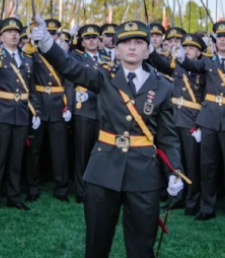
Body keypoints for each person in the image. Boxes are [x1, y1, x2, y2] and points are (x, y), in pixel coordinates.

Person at [31, 18, 185, 258]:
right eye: (125, 42)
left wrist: (175, 170)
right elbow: (71, 67)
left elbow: (168, 137)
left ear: (148, 49)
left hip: (143, 173)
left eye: (138, 42)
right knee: (96, 243)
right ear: (116, 48)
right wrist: (48, 43)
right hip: (103, 170)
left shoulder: (163, 87)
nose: (132, 47)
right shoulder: (103, 76)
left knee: (142, 246)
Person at [175, 21, 225, 226]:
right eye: (218, 37)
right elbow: (192, 65)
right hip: (209, 120)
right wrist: (181, 57)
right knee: (207, 167)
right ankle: (207, 208)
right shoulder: (208, 62)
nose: (222, 40)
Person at [0, 18, 40, 215]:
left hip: (21, 113)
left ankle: (13, 197)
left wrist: (35, 111)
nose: (14, 35)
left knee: (16, 159)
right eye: (9, 32)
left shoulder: (26, 58)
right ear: (2, 36)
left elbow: (31, 88)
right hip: (0, 112)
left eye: (17, 32)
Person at [149, 33, 206, 216]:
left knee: (191, 164)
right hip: (174, 118)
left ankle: (192, 201)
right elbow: (162, 65)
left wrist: (200, 124)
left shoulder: (204, 69)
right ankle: (176, 197)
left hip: (192, 120)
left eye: (191, 48)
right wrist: (151, 51)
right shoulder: (178, 66)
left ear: (199, 53)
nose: (187, 51)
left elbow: (207, 98)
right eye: (186, 47)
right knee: (175, 162)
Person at [25, 18, 73, 203]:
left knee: (59, 150)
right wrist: (34, 108)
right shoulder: (32, 53)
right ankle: (32, 187)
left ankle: (61, 189)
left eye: (54, 34)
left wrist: (68, 105)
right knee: (34, 151)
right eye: (48, 33)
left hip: (58, 105)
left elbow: (69, 81)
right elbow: (28, 81)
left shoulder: (60, 54)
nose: (51, 36)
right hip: (38, 104)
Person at [71, 24, 109, 203]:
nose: (91, 40)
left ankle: (97, 188)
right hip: (84, 109)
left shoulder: (107, 58)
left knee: (99, 153)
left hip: (102, 110)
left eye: (94, 37)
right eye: (87, 38)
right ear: (82, 42)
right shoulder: (77, 58)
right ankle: (80, 190)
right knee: (81, 153)